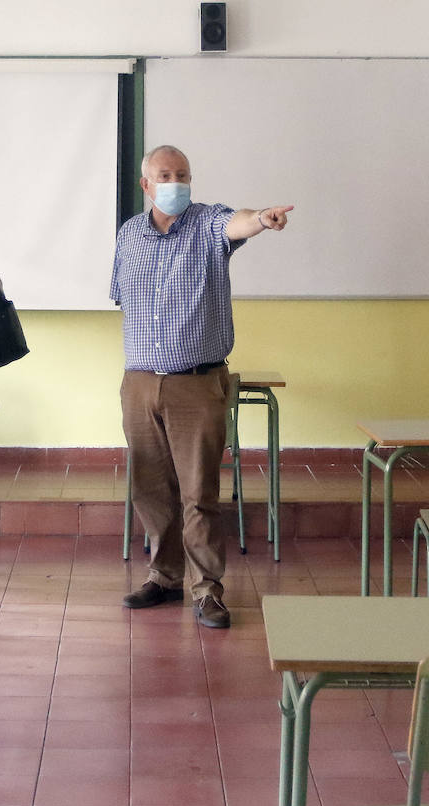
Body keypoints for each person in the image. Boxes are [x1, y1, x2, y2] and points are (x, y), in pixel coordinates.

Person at [111, 145, 292, 629]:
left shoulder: (209, 224)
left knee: (199, 493)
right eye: (165, 175)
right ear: (146, 185)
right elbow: (122, 299)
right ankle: (164, 576)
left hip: (196, 381)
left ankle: (207, 589)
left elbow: (240, 222)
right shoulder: (129, 235)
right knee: (150, 488)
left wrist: (264, 218)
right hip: (140, 382)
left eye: (183, 174)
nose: (175, 182)